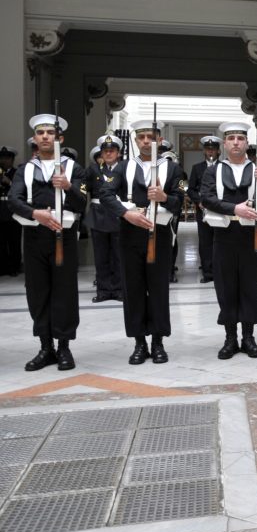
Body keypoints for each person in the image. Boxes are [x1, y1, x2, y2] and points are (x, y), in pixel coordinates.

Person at [99, 120, 185, 364]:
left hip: (159, 233)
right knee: (133, 288)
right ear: (135, 141)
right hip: (130, 233)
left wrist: (165, 196)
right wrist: (126, 213)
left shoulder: (172, 168)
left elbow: (181, 200)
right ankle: (139, 342)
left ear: (159, 139)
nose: (146, 141)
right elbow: (105, 193)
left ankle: (158, 341)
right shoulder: (124, 166)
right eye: (141, 137)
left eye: (151, 136)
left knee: (158, 288)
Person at [9, 114, 88, 371]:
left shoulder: (73, 169)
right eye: (40, 132)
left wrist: (67, 186)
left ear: (59, 138)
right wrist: (35, 214)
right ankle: (46, 347)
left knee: (64, 291)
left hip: (63, 237)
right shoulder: (25, 169)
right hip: (34, 236)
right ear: (34, 138)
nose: (45, 136)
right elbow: (14, 199)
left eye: (50, 133)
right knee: (38, 291)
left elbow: (82, 203)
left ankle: (64, 347)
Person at [201, 122, 257, 359]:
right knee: (225, 287)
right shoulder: (214, 170)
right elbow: (207, 198)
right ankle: (230, 337)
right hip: (223, 235)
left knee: (249, 286)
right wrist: (234, 208)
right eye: (231, 138)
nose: (236, 142)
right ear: (224, 143)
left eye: (240, 138)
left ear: (247, 143)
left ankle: (249, 337)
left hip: (250, 236)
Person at [85, 134, 125, 303]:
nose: (108, 154)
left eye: (112, 151)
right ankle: (103, 289)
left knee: (118, 254)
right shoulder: (93, 169)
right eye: (105, 151)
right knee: (101, 255)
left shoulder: (124, 168)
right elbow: (84, 190)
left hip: (118, 214)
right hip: (98, 214)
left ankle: (118, 289)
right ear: (101, 153)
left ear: (118, 153)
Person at [188, 135, 220, 283]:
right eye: (208, 149)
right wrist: (199, 201)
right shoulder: (197, 168)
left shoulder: (223, 166)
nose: (211, 152)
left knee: (219, 241)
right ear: (204, 151)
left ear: (218, 151)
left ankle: (219, 271)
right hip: (204, 210)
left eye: (213, 149)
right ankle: (208, 273)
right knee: (205, 242)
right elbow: (191, 189)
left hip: (220, 209)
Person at [159, 139, 181, 283]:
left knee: (171, 239)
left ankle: (170, 269)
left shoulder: (174, 168)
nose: (161, 154)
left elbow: (178, 190)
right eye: (160, 151)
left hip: (171, 208)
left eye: (163, 151)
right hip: (156, 210)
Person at [0, 146, 22, 277]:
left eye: (6, 158)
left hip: (12, 211)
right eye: (1, 158)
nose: (3, 161)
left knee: (14, 240)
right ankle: (3, 267)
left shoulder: (17, 172)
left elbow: (21, 189)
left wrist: (9, 182)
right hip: (0, 211)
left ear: (12, 160)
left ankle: (15, 266)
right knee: (1, 242)